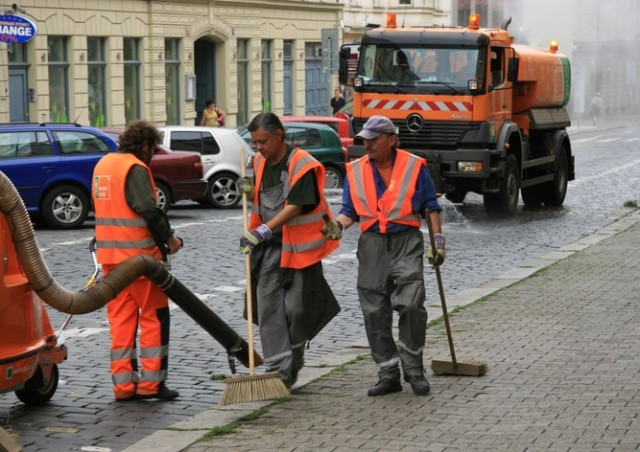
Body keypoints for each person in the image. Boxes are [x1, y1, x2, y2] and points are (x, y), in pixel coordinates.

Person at [326, 115, 445, 397]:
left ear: (391, 139)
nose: (367, 144)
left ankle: (414, 369)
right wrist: (337, 225)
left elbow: (430, 206)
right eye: (364, 139)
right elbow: (349, 211)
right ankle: (388, 372)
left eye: (373, 139)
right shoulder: (355, 171)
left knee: (412, 304)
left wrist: (438, 242)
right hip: (372, 244)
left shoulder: (414, 166)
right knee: (374, 309)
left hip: (406, 241)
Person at [237, 112, 341, 388]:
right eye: (255, 142)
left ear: (279, 135)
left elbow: (296, 206)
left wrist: (264, 229)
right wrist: (245, 188)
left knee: (297, 311)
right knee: (268, 307)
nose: (259, 147)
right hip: (268, 249)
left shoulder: (302, 165)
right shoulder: (258, 161)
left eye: (263, 142)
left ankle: (293, 360)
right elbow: (255, 195)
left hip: (299, 250)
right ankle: (277, 370)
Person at [92, 120, 184, 402]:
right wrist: (170, 240)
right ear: (144, 145)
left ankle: (123, 387)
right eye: (153, 150)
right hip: (141, 262)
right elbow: (148, 209)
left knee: (121, 321)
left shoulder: (103, 165)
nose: (153, 155)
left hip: (110, 260)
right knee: (154, 318)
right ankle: (151, 385)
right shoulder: (134, 167)